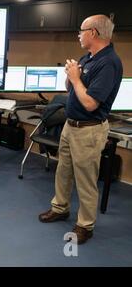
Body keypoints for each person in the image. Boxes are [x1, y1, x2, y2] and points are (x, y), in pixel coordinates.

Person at [38, 14, 123, 244]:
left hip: (89, 130)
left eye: (81, 30)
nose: (79, 35)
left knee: (85, 180)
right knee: (63, 171)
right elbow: (73, 90)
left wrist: (76, 79)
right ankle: (60, 208)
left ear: (93, 33)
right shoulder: (88, 57)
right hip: (70, 125)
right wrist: (71, 77)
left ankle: (85, 225)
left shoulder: (109, 63)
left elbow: (90, 103)